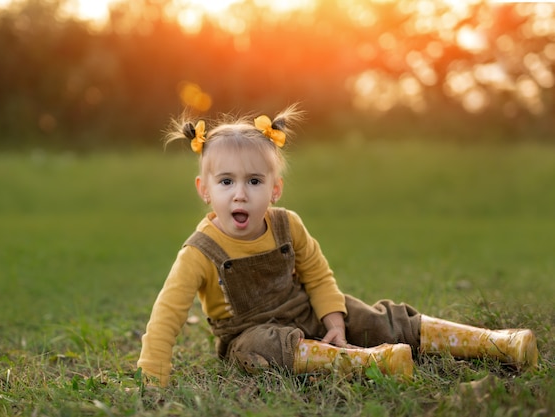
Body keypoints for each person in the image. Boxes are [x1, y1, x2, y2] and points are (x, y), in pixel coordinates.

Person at [137, 105, 538, 387]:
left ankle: (495, 343)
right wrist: (153, 376)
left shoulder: (286, 224)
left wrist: (333, 318)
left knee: (371, 317)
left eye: (254, 181)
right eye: (226, 182)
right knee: (264, 349)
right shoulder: (199, 253)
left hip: (305, 310)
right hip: (249, 332)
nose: (240, 195)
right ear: (204, 190)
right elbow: (167, 315)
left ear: (274, 189)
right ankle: (367, 363)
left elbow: (316, 272)